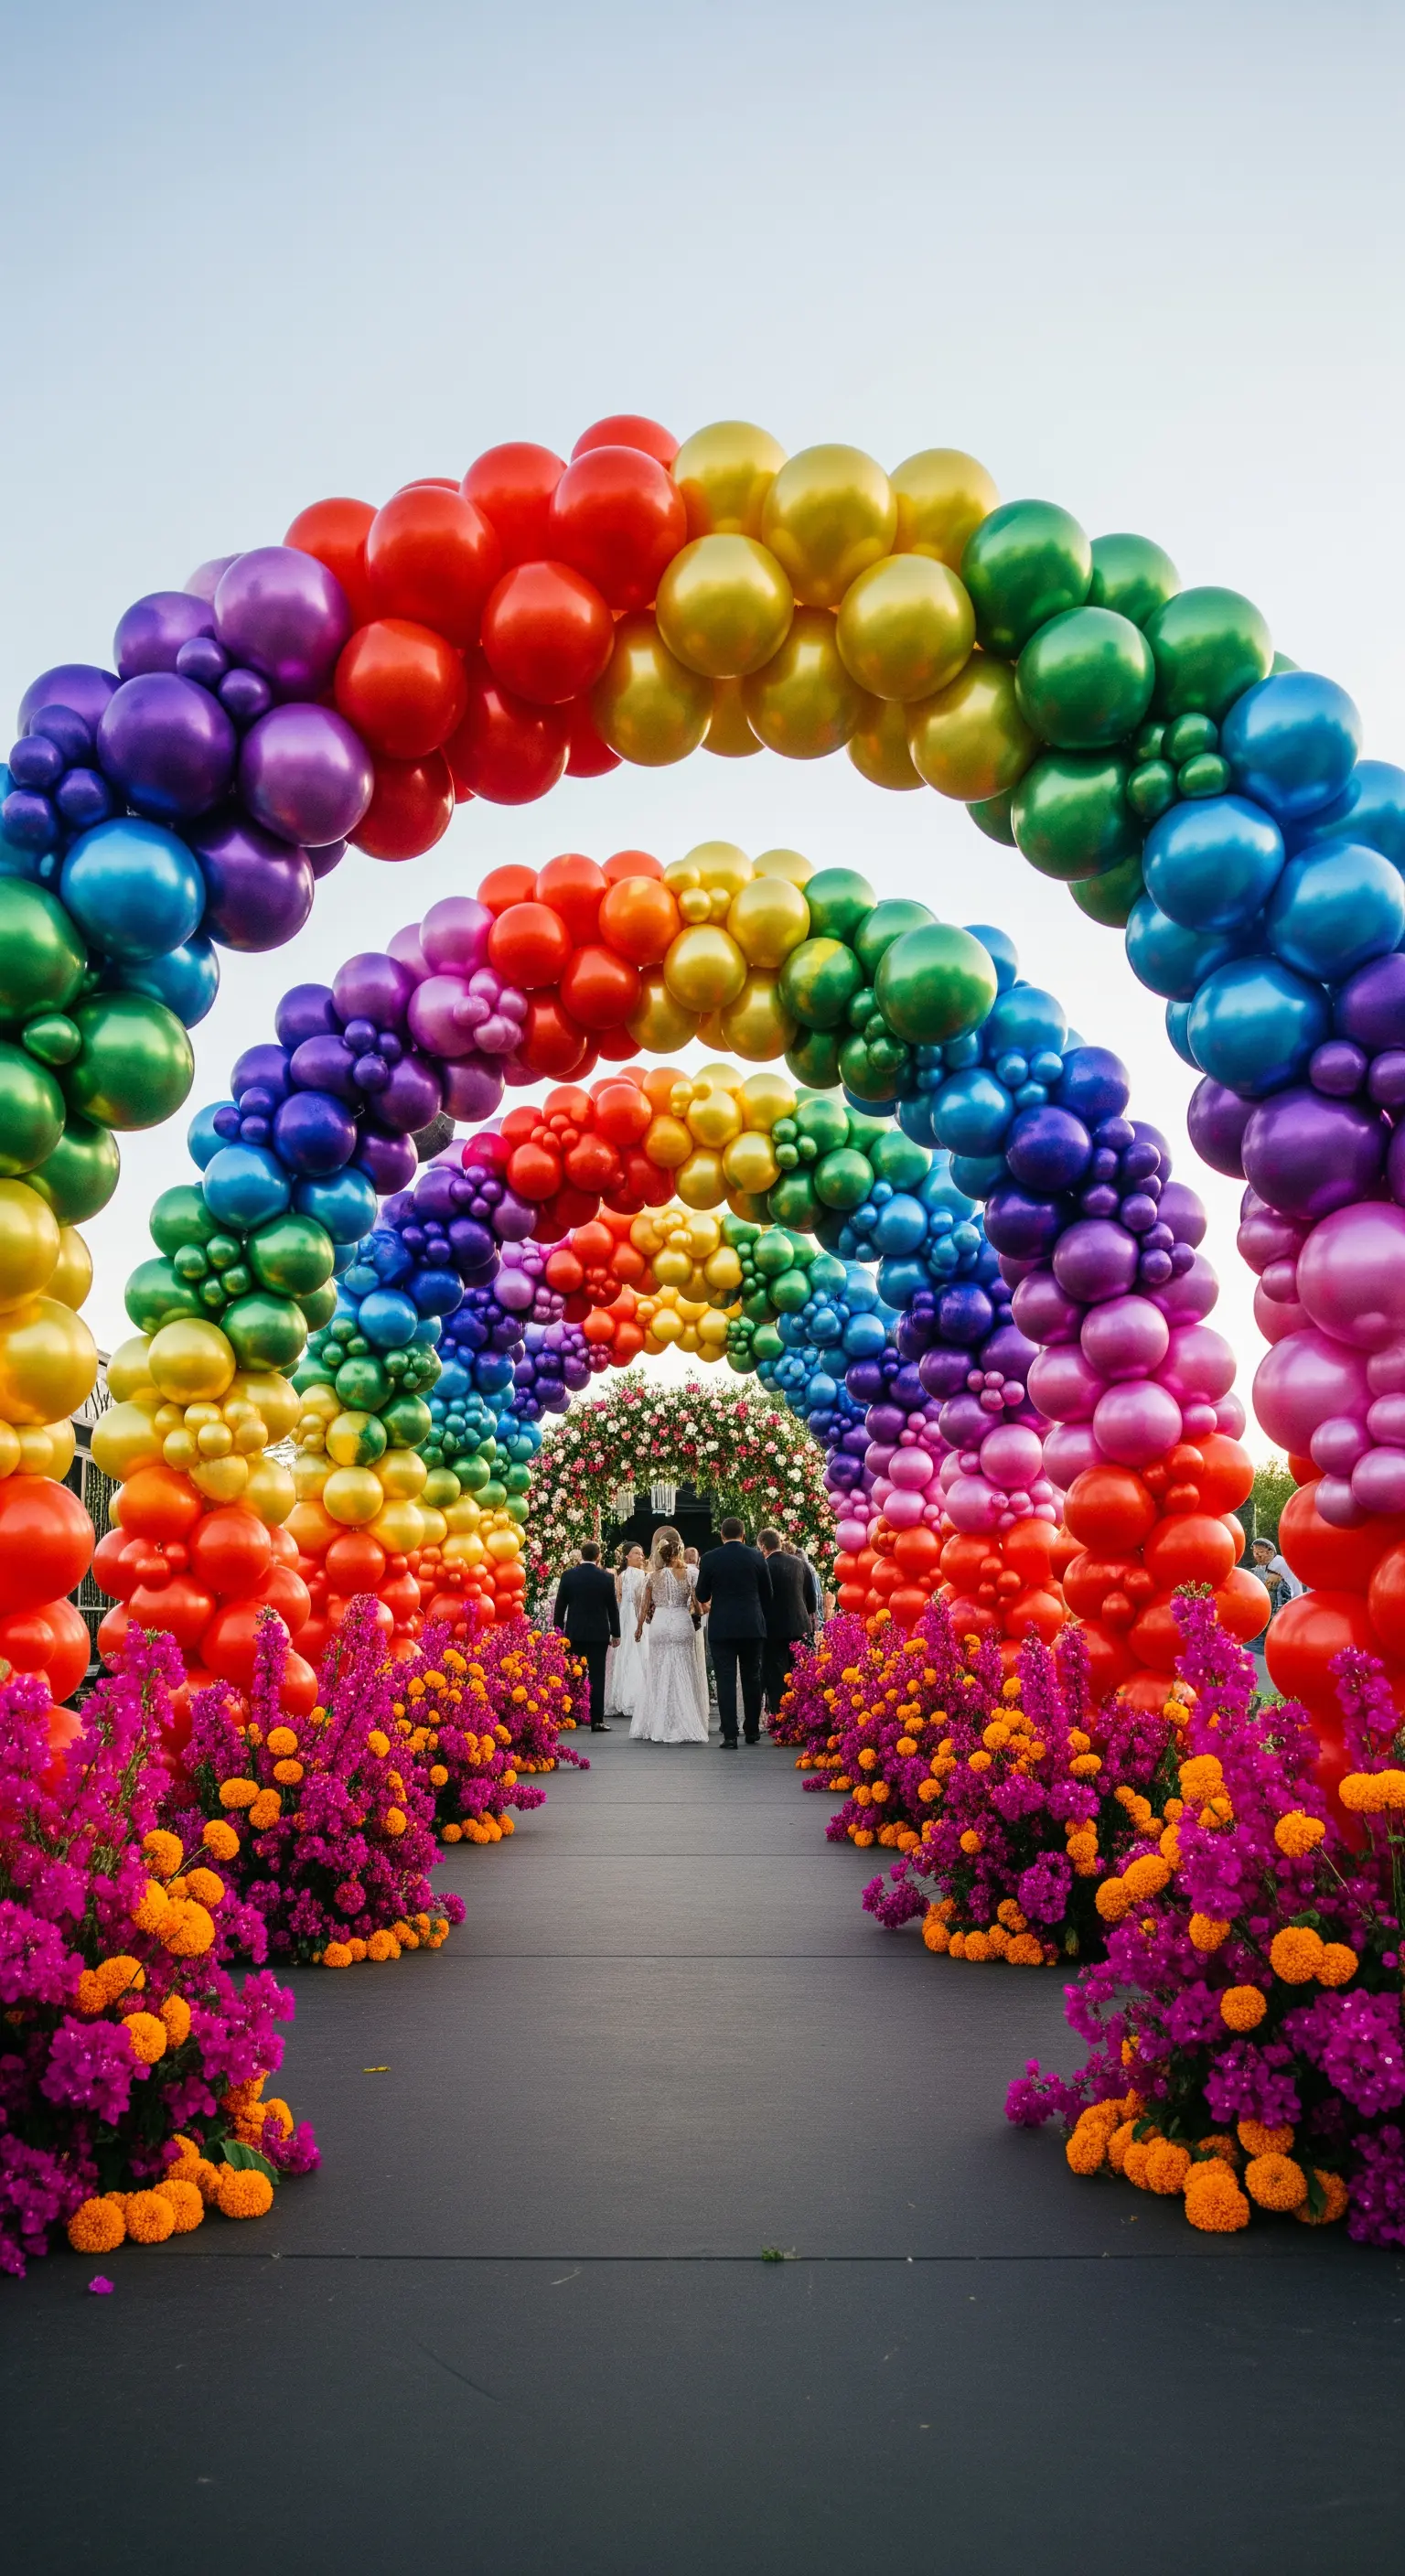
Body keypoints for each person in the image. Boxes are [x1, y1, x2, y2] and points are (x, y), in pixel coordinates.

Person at [694, 1517, 772, 1749]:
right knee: (752, 1678)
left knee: (725, 1679)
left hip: (722, 1627)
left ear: (721, 1535)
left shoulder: (710, 1558)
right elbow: (768, 1593)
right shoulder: (757, 1556)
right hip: (751, 1625)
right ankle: (751, 1730)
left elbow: (701, 1594)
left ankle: (729, 1734)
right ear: (744, 1534)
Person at [630, 1527, 709, 1744]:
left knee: (659, 1669)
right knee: (683, 1668)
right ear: (678, 1553)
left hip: (660, 1624)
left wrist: (638, 1628)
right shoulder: (691, 1574)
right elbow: (697, 1604)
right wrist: (700, 1614)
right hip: (682, 1622)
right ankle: (685, 1719)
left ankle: (658, 1720)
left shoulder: (652, 1577)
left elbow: (645, 1605)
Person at [552, 1541, 619, 1732]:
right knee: (597, 1677)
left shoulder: (568, 1576)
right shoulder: (606, 1578)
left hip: (575, 1632)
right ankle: (597, 1719)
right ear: (598, 1556)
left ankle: (571, 1714)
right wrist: (616, 1632)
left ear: (581, 1555)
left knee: (574, 1674)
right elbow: (612, 1608)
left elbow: (560, 1605)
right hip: (599, 1633)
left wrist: (558, 1630)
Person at [758, 1529, 818, 1718]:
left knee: (776, 1674)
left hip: (772, 1628)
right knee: (798, 1672)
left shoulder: (764, 1566)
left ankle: (779, 1715)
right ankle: (800, 1715)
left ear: (763, 1546)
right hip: (799, 1626)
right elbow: (812, 1600)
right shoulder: (800, 1564)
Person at [610, 1543, 649, 1718]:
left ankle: (634, 1695)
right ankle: (629, 1695)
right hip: (627, 1616)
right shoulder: (626, 1575)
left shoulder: (637, 1575)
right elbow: (619, 1597)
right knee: (627, 1652)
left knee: (637, 1652)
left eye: (641, 1554)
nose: (640, 1557)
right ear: (627, 1557)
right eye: (636, 1554)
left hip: (634, 1616)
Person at [684, 1543, 715, 1719]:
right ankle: (700, 1698)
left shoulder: (678, 1573)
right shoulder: (698, 1573)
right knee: (699, 1659)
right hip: (699, 1621)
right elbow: (706, 1599)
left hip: (680, 1622)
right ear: (696, 1559)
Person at [1252, 1535, 1303, 1611]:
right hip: (1293, 1600)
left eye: (1261, 1552)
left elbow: (1267, 1588)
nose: (1257, 1555)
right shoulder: (1275, 1561)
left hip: (1290, 1602)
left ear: (1271, 1552)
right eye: (1255, 1552)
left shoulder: (1276, 1564)